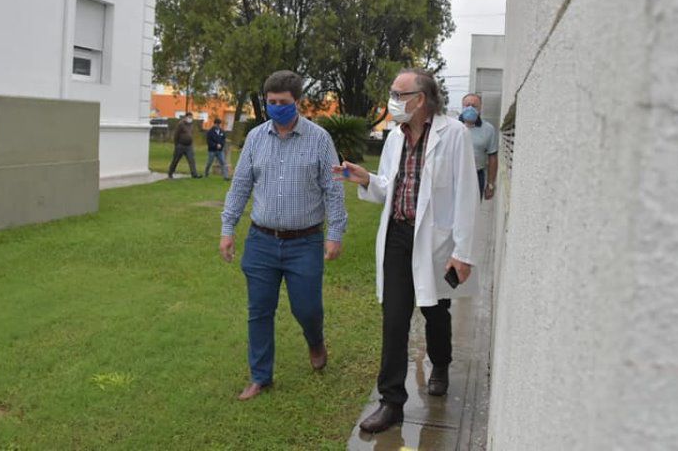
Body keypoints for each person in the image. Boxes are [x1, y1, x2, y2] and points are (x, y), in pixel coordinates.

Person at [337, 68, 478, 434]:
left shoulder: (455, 135)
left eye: (400, 95)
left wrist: (462, 251)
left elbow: (466, 195)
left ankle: (441, 364)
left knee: (435, 311)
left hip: (433, 239)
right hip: (398, 236)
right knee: (395, 318)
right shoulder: (395, 138)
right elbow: (388, 185)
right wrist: (366, 179)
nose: (394, 101)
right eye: (393, 93)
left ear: (423, 99)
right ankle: (391, 402)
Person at [219, 70, 347, 401]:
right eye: (271, 102)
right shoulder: (256, 138)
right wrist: (227, 228)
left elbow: (333, 189)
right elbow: (241, 185)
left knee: (307, 308)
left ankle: (315, 340)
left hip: (305, 242)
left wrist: (335, 233)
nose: (276, 108)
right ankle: (261, 376)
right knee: (259, 310)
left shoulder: (318, 139)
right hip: (261, 240)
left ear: (298, 102)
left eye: (283, 103)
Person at [460, 93, 498, 200]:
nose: (470, 108)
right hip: (454, 175)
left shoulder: (488, 129)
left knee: (473, 210)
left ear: (480, 108)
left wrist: (490, 184)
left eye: (474, 106)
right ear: (462, 107)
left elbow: (493, 157)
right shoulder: (452, 127)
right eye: (467, 105)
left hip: (476, 175)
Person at [167, 112, 202, 179]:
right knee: (175, 160)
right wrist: (176, 144)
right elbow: (176, 135)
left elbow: (190, 134)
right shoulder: (181, 124)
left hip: (189, 146)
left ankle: (194, 174)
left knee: (191, 160)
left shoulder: (191, 124)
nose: (190, 119)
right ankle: (170, 173)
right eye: (189, 117)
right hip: (180, 145)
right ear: (186, 117)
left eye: (191, 117)